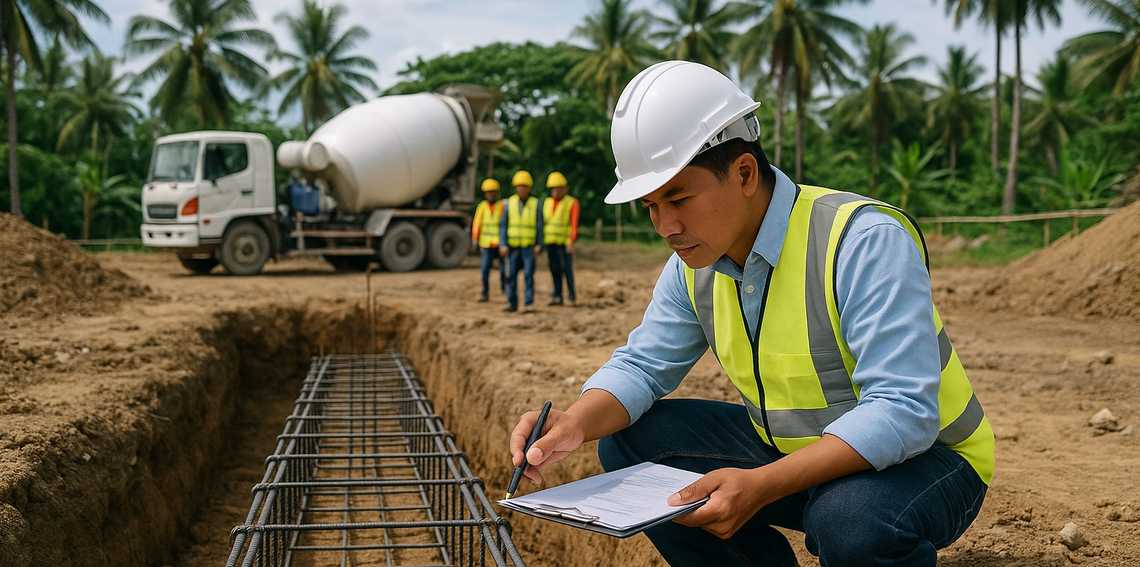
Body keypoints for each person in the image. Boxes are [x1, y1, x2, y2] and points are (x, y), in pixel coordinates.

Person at [508, 61, 994, 566]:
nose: (665, 226)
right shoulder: (693, 265)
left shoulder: (861, 241)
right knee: (628, 444)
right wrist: (574, 423)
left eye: (678, 197)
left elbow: (904, 411)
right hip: (796, 453)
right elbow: (642, 366)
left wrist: (761, 486)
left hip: (929, 460)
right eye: (650, 206)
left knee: (849, 521)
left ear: (743, 172)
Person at [500, 170, 543, 313]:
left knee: (528, 275)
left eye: (524, 186)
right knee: (510, 275)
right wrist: (503, 243)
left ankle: (528, 303)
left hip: (528, 247)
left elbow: (539, 225)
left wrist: (539, 244)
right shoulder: (508, 203)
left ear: (529, 188)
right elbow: (504, 225)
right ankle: (511, 303)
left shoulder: (536, 204)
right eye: (519, 186)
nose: (522, 189)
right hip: (512, 247)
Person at [542, 171, 580, 306]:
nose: (555, 191)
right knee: (554, 269)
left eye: (558, 188)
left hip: (564, 243)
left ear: (565, 188)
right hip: (550, 242)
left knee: (567, 270)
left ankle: (571, 296)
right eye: (553, 188)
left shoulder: (572, 203)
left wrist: (571, 241)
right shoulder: (546, 203)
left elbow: (574, 225)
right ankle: (557, 296)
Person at [472, 178, 506, 302]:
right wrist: (475, 239)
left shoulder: (502, 206)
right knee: (485, 270)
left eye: (493, 192)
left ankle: (505, 290)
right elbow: (477, 223)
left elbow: (505, 224)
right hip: (486, 243)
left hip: (499, 243)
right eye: (488, 192)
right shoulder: (482, 207)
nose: (491, 194)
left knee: (504, 270)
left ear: (497, 193)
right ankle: (484, 293)